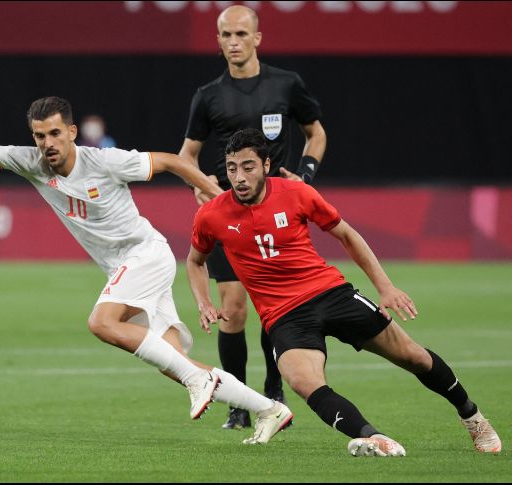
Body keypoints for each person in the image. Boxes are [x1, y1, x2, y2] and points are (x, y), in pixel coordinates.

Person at [0, 91, 293, 445]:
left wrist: (221, 199)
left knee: (101, 322)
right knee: (174, 362)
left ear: (71, 132)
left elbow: (170, 161)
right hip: (125, 267)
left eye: (55, 133)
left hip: (145, 254)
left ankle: (199, 379)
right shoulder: (32, 162)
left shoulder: (103, 161)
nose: (48, 143)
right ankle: (269, 409)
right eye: (39, 136)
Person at [186, 128, 502, 456]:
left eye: (248, 166)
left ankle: (472, 416)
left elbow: (347, 236)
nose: (238, 176)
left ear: (266, 165)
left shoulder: (296, 193)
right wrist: (203, 301)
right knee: (304, 383)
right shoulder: (211, 215)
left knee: (414, 356)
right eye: (232, 167)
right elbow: (195, 262)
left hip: (330, 293)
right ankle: (374, 438)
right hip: (284, 317)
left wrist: (386, 287)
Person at [179, 5, 328, 430]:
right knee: (234, 307)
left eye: (241, 34)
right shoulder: (208, 96)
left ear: (258, 38)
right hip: (232, 219)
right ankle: (238, 403)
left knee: (275, 306)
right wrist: (205, 189)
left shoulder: (286, 84)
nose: (233, 42)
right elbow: (187, 156)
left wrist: (304, 178)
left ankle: (274, 388)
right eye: (226, 35)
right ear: (218, 40)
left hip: (278, 218)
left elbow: (316, 132)